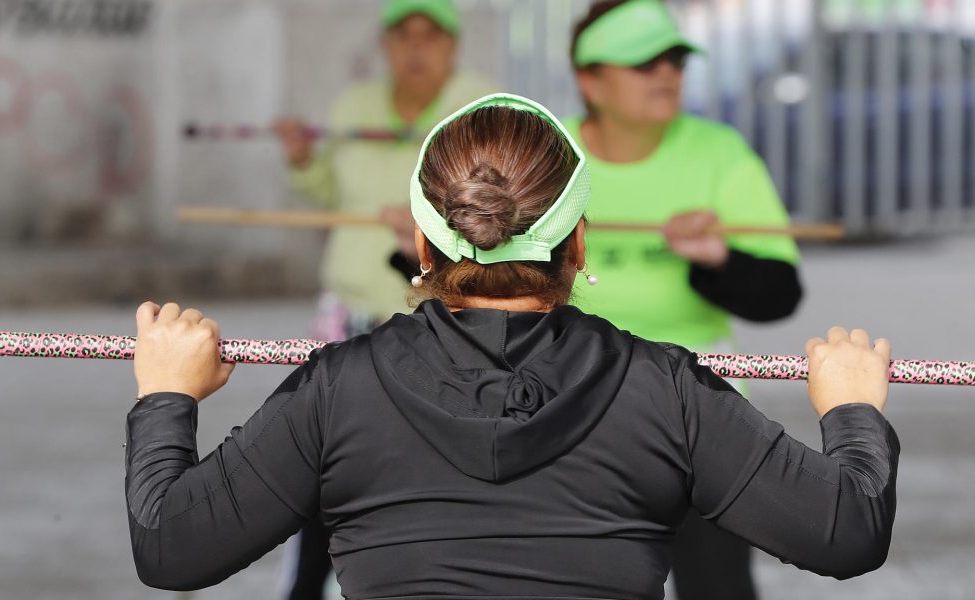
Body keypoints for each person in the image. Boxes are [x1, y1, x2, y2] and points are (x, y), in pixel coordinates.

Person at [126, 94, 899, 600]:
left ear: (423, 247)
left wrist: (167, 396)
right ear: (580, 243)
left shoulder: (336, 389)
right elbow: (847, 532)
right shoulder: (667, 390)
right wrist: (852, 409)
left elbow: (171, 550)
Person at [566, 2, 803, 597]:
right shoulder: (547, 155)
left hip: (700, 404)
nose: (665, 73)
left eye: (673, 58)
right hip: (566, 400)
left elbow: (779, 293)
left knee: (718, 583)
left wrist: (717, 259)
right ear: (589, 79)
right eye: (642, 61)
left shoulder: (718, 152)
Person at [273, 1, 493, 596]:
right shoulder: (354, 107)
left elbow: (501, 212)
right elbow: (329, 192)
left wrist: (434, 226)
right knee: (327, 456)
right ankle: (305, 585)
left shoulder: (483, 109)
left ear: (453, 44)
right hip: (346, 306)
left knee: (428, 461)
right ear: (386, 44)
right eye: (403, 36)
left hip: (436, 314)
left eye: (431, 36)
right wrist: (302, 161)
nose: (416, 49)